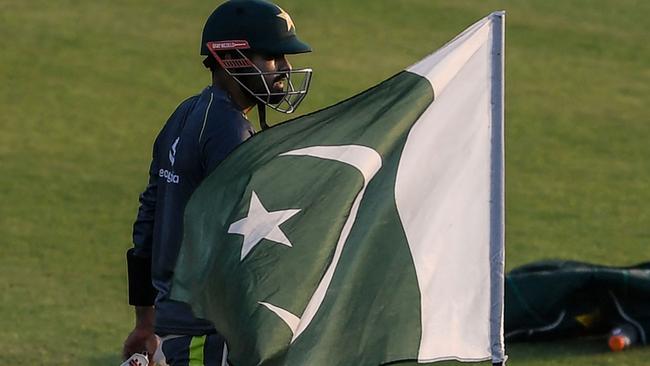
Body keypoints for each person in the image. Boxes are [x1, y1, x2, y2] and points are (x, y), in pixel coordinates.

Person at [122, 1, 312, 364]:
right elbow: (248, 244)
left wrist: (145, 322)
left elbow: (148, 221)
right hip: (206, 336)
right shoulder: (230, 131)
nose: (285, 69)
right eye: (273, 57)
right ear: (233, 58)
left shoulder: (186, 112)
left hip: (173, 325)